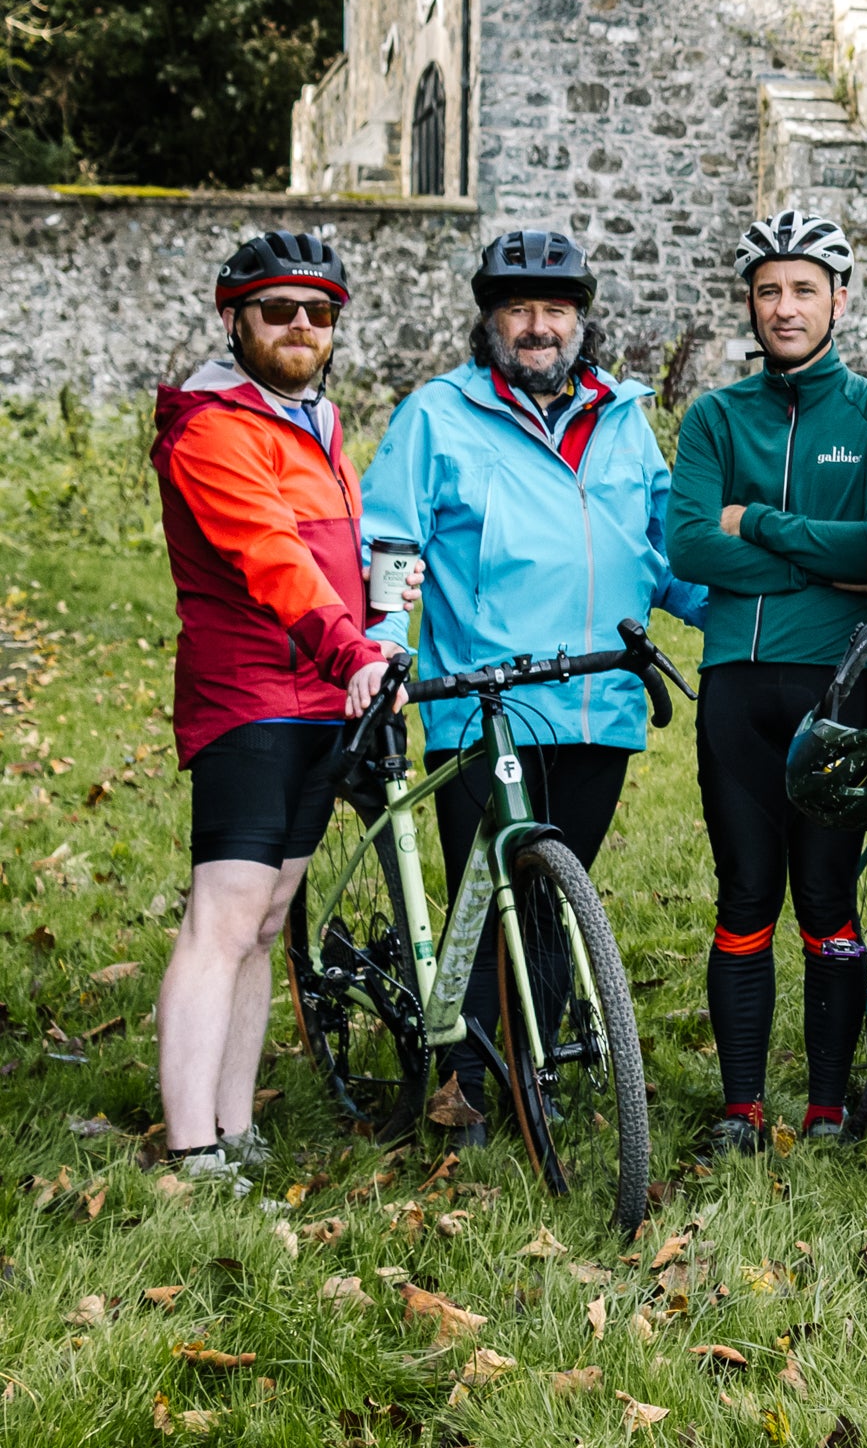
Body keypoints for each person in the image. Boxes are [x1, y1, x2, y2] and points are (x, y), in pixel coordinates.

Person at [363, 227, 708, 1140]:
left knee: (556, 900)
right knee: (487, 901)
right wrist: (384, 645)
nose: (538, 326)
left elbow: (667, 552)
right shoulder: (438, 416)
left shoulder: (624, 419)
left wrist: (754, 624)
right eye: (519, 309)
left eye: (555, 309)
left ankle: (532, 1069)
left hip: (598, 698)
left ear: (581, 322)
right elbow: (391, 541)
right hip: (483, 703)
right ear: (490, 322)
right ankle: (465, 1082)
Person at [150, 231, 397, 1187]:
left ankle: (235, 1126)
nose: (301, 325)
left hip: (323, 697)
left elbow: (335, 559)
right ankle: (191, 1149)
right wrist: (350, 648)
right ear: (234, 320)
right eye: (278, 309)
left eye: (319, 312)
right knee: (223, 918)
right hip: (250, 698)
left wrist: (378, 619)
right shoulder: (213, 427)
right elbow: (271, 557)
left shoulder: (315, 423)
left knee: (268, 919)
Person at [663, 212, 867, 1155]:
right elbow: (689, 546)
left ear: (839, 300)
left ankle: (829, 1107)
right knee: (745, 896)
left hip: (844, 687)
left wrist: (757, 524)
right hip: (736, 686)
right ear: (751, 303)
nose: (786, 307)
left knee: (828, 898)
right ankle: (742, 1108)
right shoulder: (716, 417)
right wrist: (820, 562)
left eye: (804, 289)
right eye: (769, 290)